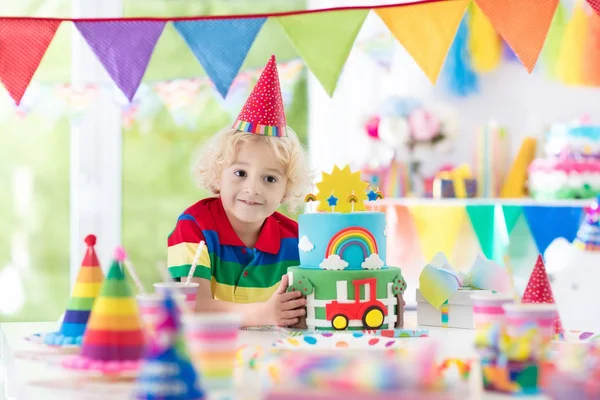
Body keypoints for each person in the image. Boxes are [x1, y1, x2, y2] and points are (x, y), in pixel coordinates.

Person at [167, 55, 312, 327]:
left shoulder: (299, 241)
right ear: (217, 174)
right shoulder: (194, 227)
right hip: (209, 357)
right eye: (240, 173)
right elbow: (190, 307)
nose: (252, 188)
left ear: (286, 189)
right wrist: (263, 314)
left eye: (269, 179)